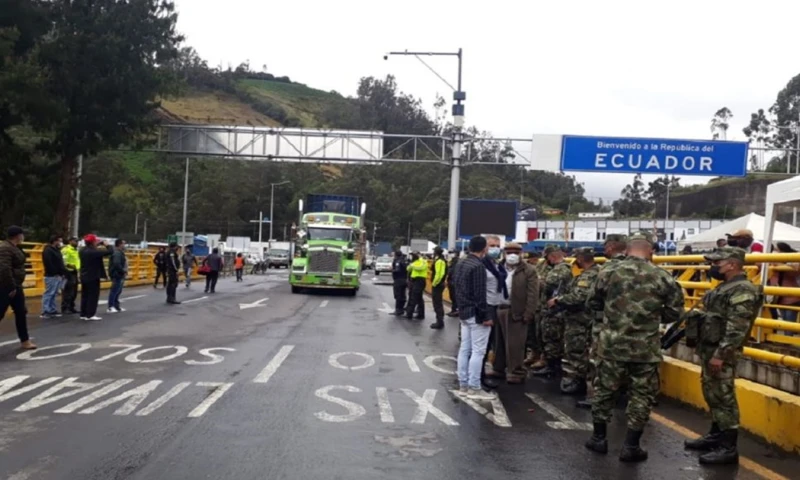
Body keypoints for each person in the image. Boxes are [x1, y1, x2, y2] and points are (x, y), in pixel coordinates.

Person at [584, 231, 684, 462]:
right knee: (641, 395)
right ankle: (631, 446)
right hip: (645, 348)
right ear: (650, 251)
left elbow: (593, 303)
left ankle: (599, 439)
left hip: (611, 345)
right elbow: (674, 313)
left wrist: (614, 313)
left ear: (627, 249)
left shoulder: (608, 272)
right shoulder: (662, 276)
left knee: (604, 391)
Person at [683, 247, 763, 465]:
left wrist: (721, 354)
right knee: (713, 393)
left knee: (724, 397)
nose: (713, 267)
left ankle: (728, 449)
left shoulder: (742, 290)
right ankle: (715, 435)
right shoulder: (725, 287)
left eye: (717, 263)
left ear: (732, 264)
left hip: (722, 351)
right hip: (711, 348)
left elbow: (737, 327)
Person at [577, 234, 627, 409]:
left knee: (600, 360)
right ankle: (622, 396)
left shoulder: (608, 269)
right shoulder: (642, 267)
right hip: (632, 328)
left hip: (606, 323)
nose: (604, 250)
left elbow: (593, 300)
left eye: (605, 247)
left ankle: (599, 397)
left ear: (611, 247)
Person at [549, 247, 599, 395]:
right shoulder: (586, 273)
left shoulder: (589, 275)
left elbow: (578, 297)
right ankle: (578, 379)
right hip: (580, 318)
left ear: (581, 258)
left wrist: (558, 300)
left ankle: (579, 382)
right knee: (576, 350)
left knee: (576, 350)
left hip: (581, 319)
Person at [453, 235, 494, 400]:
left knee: (465, 349)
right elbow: (480, 294)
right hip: (476, 314)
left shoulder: (461, 263)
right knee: (478, 351)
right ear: (484, 248)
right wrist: (485, 316)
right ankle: (475, 387)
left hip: (463, 311)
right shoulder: (478, 266)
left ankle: (463, 384)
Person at [492, 242, 538, 384]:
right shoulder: (498, 267)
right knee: (498, 342)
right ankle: (498, 368)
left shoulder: (529, 270)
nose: (512, 255)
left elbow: (533, 293)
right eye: (509, 252)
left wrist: (528, 313)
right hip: (499, 307)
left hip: (516, 310)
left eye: (516, 252)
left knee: (515, 344)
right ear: (504, 253)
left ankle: (516, 371)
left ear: (521, 253)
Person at [533, 245, 574, 378]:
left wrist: (538, 281)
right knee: (548, 338)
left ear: (552, 256)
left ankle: (553, 368)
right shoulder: (556, 268)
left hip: (555, 311)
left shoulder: (562, 269)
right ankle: (550, 365)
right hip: (550, 309)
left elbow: (548, 284)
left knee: (552, 340)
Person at [0, 226, 36, 349]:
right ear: (17, 236)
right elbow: (4, 269)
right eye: (22, 234)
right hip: (6, 286)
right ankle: (24, 340)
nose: (23, 237)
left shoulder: (14, 247)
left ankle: (25, 340)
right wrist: (11, 286)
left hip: (16, 285)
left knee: (21, 312)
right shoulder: (5, 248)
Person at [79, 234, 113, 321]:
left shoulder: (82, 250)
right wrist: (107, 245)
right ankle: (90, 314)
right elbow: (110, 251)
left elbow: (92, 248)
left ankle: (83, 313)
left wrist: (98, 244)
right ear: (93, 242)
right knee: (93, 296)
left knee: (85, 295)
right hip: (93, 276)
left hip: (84, 275)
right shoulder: (93, 252)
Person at [41, 235, 67, 318]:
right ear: (54, 241)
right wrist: (55, 272)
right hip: (51, 275)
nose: (60, 243)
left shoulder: (56, 250)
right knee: (49, 293)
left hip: (57, 275)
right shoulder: (48, 250)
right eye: (59, 241)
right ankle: (46, 310)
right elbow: (48, 263)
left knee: (54, 293)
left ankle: (52, 310)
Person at [107, 239, 128, 313]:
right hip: (117, 274)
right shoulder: (117, 253)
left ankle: (116, 306)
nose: (124, 245)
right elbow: (116, 264)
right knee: (114, 290)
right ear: (119, 244)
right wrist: (122, 271)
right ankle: (111, 306)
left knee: (118, 290)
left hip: (119, 274)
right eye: (123, 244)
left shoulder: (120, 253)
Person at [61, 236, 80, 314]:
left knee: (74, 291)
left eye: (77, 241)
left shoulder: (76, 250)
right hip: (68, 272)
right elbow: (63, 261)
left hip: (75, 272)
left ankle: (71, 306)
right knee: (68, 291)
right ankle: (65, 307)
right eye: (75, 241)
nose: (77, 243)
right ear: (70, 241)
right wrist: (69, 265)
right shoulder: (66, 250)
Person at [430, 247, 448, 329]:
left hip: (438, 285)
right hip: (439, 284)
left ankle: (440, 322)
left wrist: (434, 283)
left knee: (437, 303)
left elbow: (439, 274)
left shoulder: (439, 261)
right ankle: (439, 321)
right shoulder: (441, 260)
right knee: (437, 303)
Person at [405, 251, 427, 320]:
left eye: (413, 255)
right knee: (419, 298)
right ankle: (420, 314)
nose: (412, 256)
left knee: (414, 297)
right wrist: (412, 265)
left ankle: (409, 314)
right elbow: (408, 269)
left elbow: (421, 268)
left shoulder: (423, 261)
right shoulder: (414, 262)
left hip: (420, 281)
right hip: (414, 281)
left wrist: (413, 266)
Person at [390, 250, 408, 316]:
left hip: (398, 280)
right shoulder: (404, 260)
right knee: (402, 294)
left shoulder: (398, 261)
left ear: (396, 255)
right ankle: (402, 309)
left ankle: (398, 310)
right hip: (404, 280)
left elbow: (397, 270)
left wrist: (392, 270)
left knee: (398, 295)